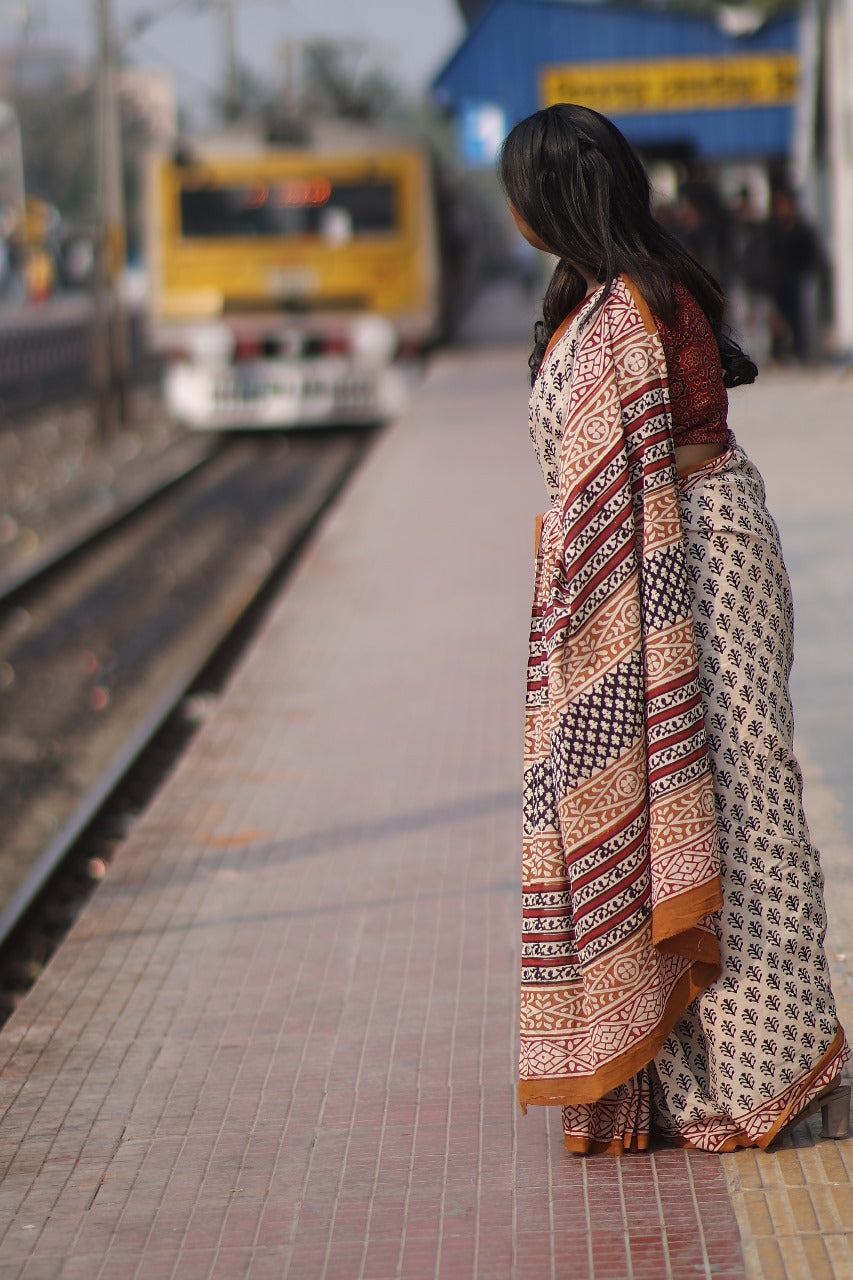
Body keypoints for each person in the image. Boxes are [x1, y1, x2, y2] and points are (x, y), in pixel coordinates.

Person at [499, 103, 850, 1154]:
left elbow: (659, 461)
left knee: (737, 803)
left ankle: (767, 1066)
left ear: (556, 194)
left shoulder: (644, 303)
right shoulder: (589, 296)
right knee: (658, 816)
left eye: (520, 187)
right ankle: (678, 1076)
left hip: (698, 560)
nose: (510, 208)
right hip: (633, 571)